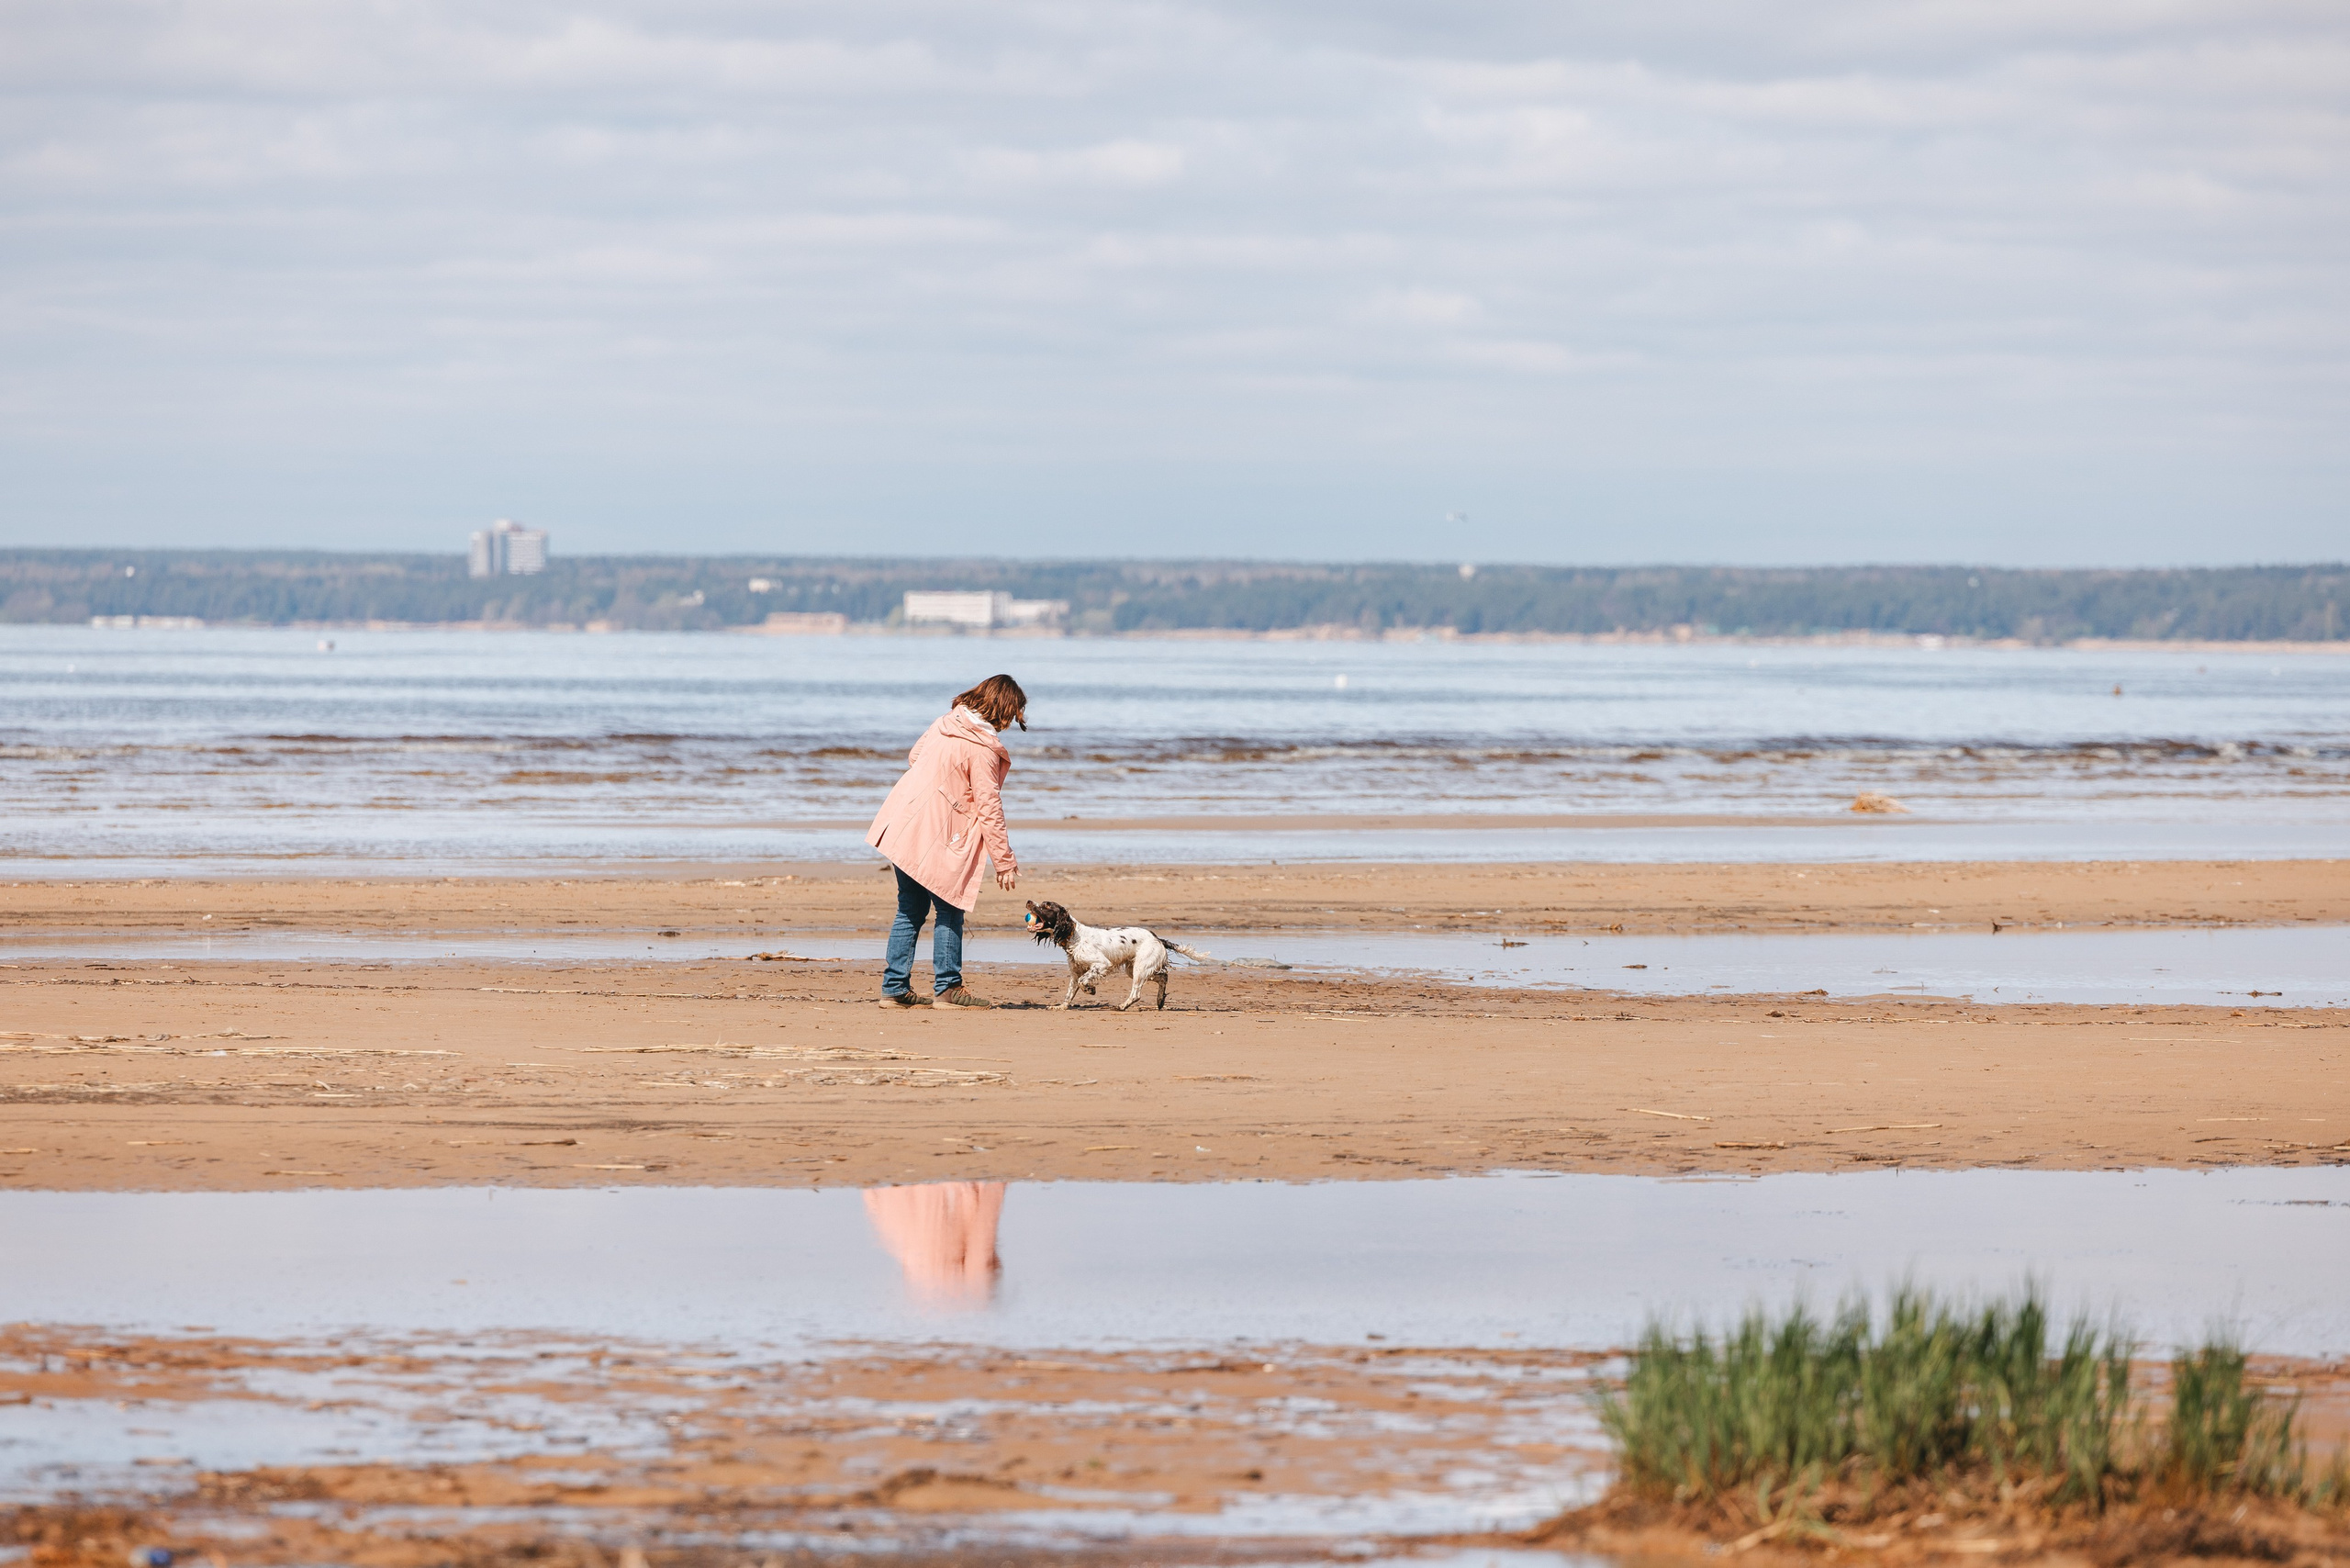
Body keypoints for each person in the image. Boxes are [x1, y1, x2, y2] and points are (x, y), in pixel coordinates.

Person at [866, 673, 1024, 1008]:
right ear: (1003, 710)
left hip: (903, 824)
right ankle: (948, 988)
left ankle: (894, 988)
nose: (1012, 723)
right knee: (950, 908)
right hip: (938, 832)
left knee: (910, 908)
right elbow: (988, 805)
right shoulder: (982, 748)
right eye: (1013, 715)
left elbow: (915, 757)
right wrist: (1004, 860)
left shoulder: (944, 723)